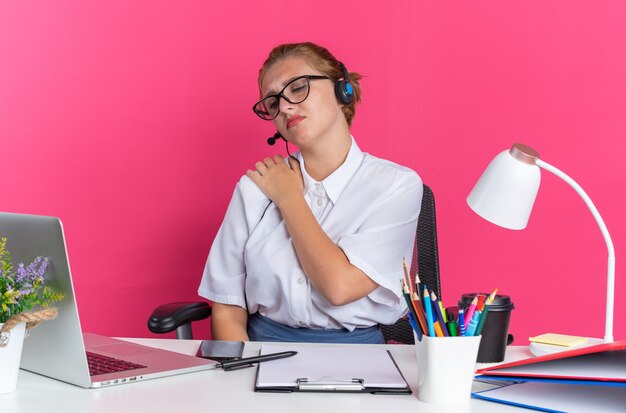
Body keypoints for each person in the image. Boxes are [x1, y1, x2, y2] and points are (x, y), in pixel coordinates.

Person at [198, 42, 423, 344]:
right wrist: (243, 375)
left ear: (342, 90)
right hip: (262, 354)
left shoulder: (396, 185)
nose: (286, 107)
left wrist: (289, 197)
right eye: (273, 103)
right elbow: (226, 308)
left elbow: (339, 288)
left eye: (298, 87)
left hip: (361, 360)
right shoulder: (255, 187)